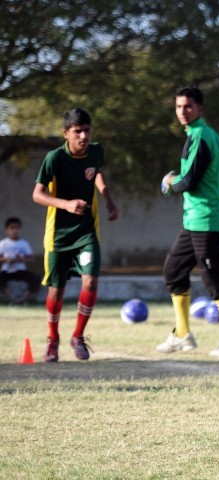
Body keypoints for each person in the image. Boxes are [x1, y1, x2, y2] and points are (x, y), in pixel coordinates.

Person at [157, 86, 219, 357]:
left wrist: (168, 182)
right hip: (196, 220)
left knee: (214, 278)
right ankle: (183, 335)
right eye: (178, 107)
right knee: (174, 271)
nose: (182, 112)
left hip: (205, 219)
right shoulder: (212, 136)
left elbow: (188, 181)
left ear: (199, 108)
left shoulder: (200, 136)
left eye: (188, 106)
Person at [32, 108, 119, 362]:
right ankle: (52, 340)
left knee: (90, 281)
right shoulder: (54, 158)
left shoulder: (96, 151)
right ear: (66, 134)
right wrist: (66, 204)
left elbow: (97, 172)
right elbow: (37, 194)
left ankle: (78, 336)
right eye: (77, 131)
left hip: (86, 231)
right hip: (58, 235)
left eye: (87, 130)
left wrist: (109, 200)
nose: (83, 136)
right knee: (56, 291)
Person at [0, 217, 41, 304]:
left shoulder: (24, 243)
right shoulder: (3, 244)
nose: (15, 230)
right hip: (6, 271)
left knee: (36, 278)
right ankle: (12, 299)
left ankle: (23, 299)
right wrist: (6, 259)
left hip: (20, 270)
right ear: (7, 230)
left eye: (17, 228)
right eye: (12, 228)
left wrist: (21, 259)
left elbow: (32, 259)